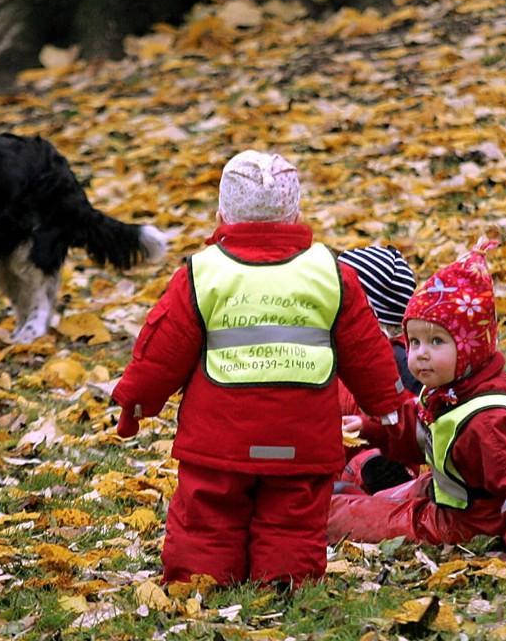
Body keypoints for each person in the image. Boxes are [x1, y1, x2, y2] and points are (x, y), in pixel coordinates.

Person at [111, 150, 407, 587]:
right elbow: (365, 349)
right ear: (297, 213)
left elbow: (162, 348)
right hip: (302, 437)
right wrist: (387, 404)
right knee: (293, 516)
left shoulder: (204, 273)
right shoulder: (329, 274)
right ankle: (285, 582)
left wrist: (136, 402)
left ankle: (201, 580)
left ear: (221, 213)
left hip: (220, 439)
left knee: (208, 514)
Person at [327, 241, 506, 555]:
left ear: (471, 346)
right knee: (386, 498)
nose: (419, 354)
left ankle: (340, 507)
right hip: (469, 493)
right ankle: (360, 493)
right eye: (414, 342)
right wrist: (369, 428)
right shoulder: (454, 391)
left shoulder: (489, 423)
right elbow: (423, 427)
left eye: (436, 341)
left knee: (339, 517)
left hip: (479, 519)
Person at [335, 245, 421, 496]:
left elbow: (408, 417)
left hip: (371, 447)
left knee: (367, 463)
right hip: (341, 439)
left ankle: (383, 479)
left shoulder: (397, 360)